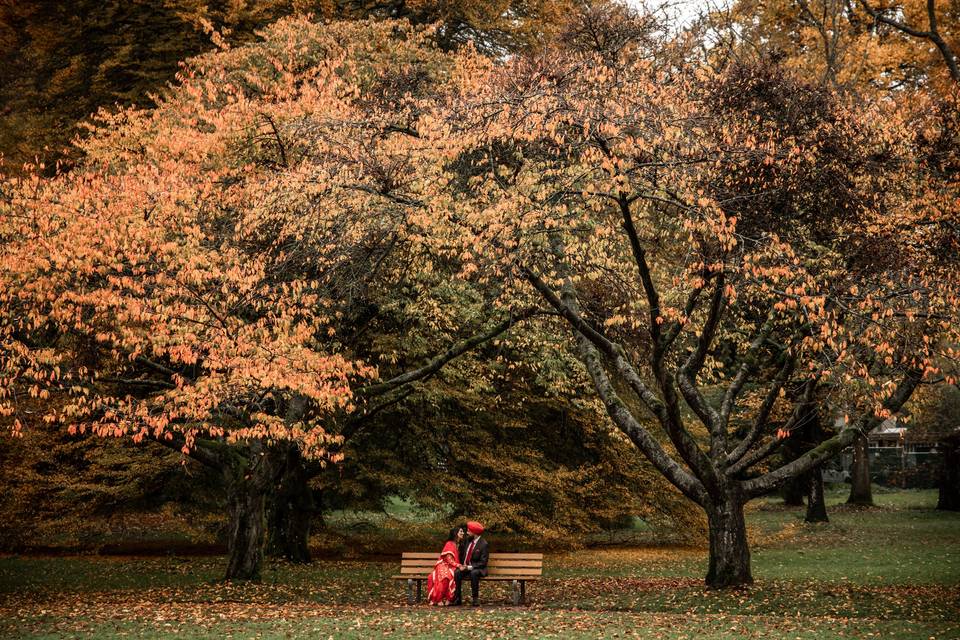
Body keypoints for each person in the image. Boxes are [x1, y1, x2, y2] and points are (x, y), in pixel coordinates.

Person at [426, 524, 465, 605]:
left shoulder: (460, 545)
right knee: (445, 576)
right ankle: (437, 599)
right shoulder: (449, 544)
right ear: (455, 533)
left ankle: (449, 599)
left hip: (453, 566)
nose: (463, 533)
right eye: (461, 531)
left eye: (463, 531)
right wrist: (459, 566)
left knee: (452, 575)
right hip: (444, 564)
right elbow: (449, 560)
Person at [452, 521, 488, 606]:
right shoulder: (468, 541)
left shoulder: (483, 544)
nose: (467, 533)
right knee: (457, 573)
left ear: (474, 533)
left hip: (478, 568)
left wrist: (468, 567)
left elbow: (483, 562)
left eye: (469, 531)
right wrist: (460, 565)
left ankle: (475, 599)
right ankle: (458, 598)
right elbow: (460, 552)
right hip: (465, 567)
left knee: (473, 573)